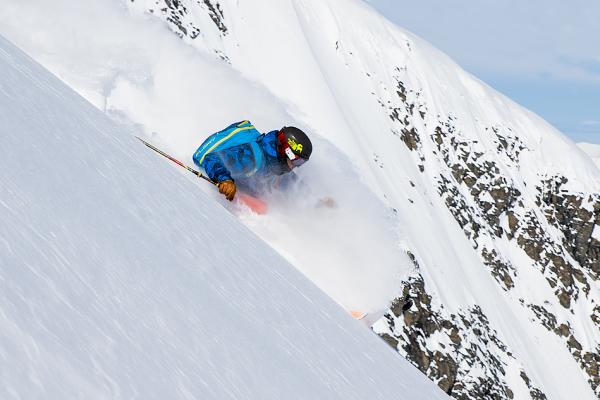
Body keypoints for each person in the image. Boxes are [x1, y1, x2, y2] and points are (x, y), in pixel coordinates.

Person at [193, 121, 312, 201]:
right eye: (296, 161)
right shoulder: (249, 157)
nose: (295, 166)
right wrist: (225, 180)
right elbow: (212, 158)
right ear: (285, 152)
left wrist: (317, 202)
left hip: (244, 183)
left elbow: (291, 183)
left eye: (301, 163)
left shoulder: (276, 164)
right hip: (215, 176)